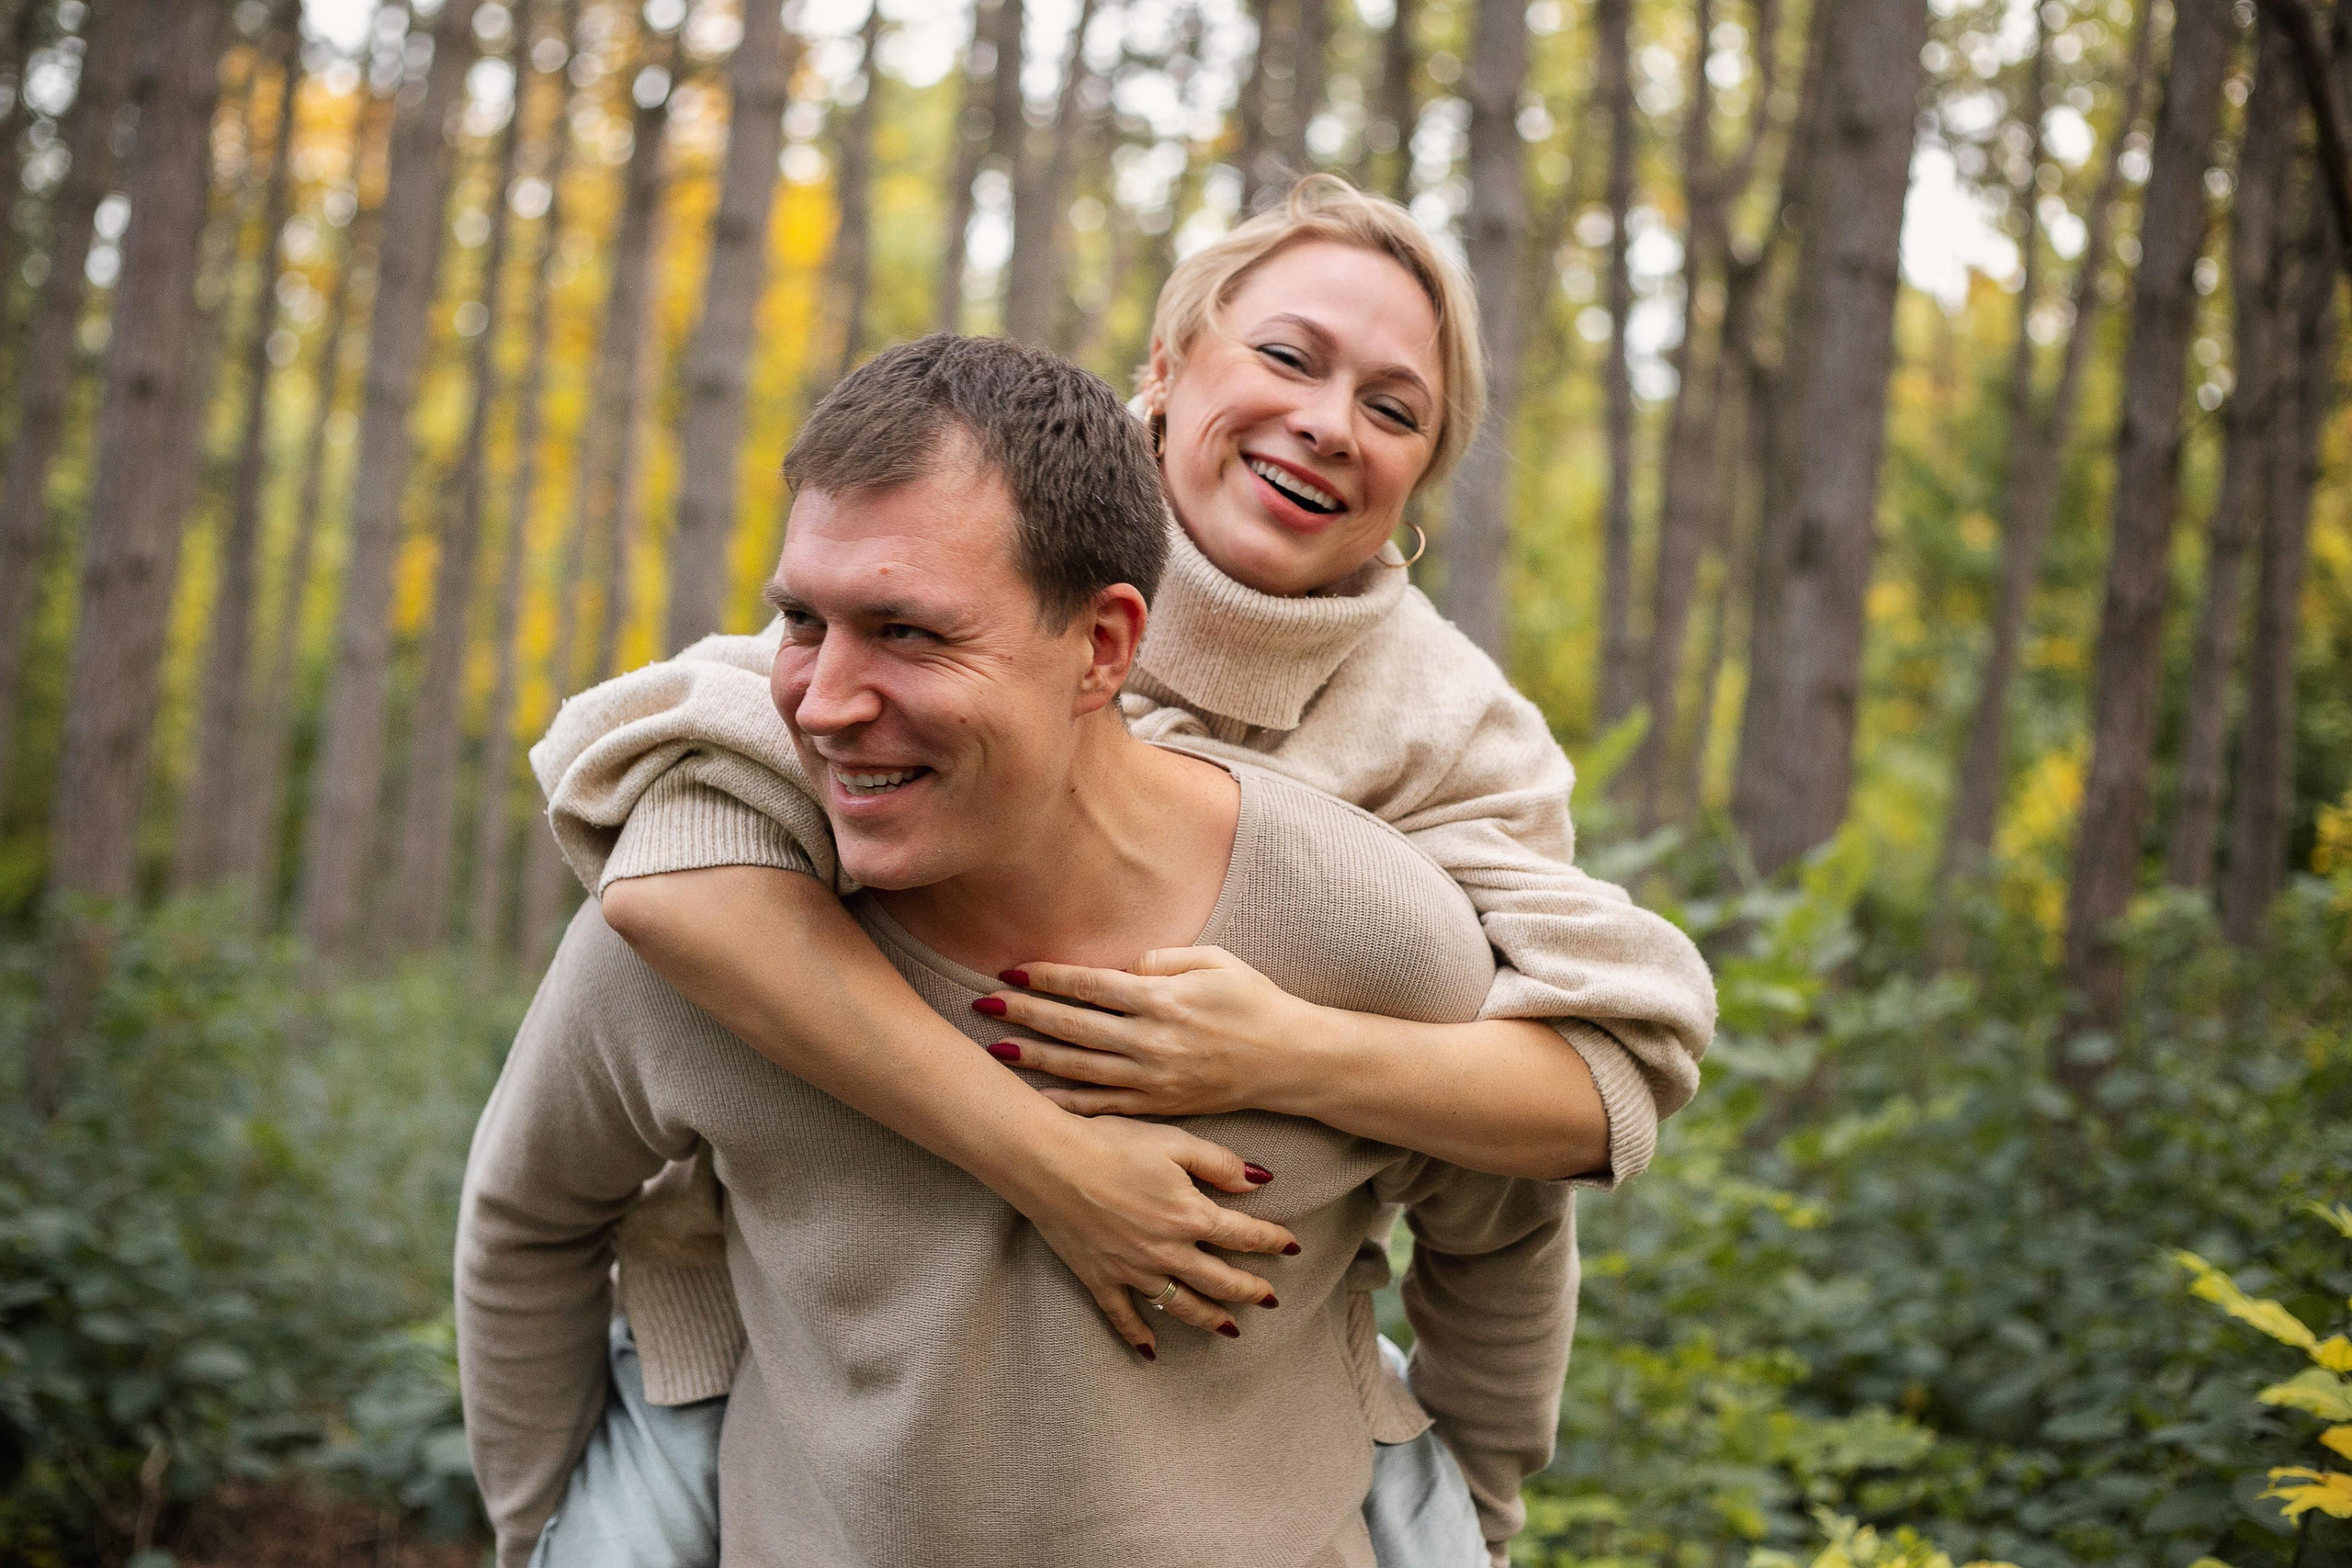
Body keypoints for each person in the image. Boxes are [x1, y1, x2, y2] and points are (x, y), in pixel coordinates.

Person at [537, 177, 1715, 1379]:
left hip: (1227, 1391)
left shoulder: (1454, 732)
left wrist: (1282, 1051)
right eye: (1287, 356)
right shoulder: (976, 535)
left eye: (1394, 410)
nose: (1330, 425)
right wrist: (1049, 1160)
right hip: (787, 1340)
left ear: (1418, 480)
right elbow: (674, 854)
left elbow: (1608, 1077)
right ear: (1166, 365)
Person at [458, 335, 1576, 1568]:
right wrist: (540, 1530)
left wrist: (1476, 1512)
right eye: (802, 621)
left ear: (1103, 647)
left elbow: (1503, 1235)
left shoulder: (1362, 933)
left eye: (908, 632)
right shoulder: (700, 926)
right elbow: (528, 1220)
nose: (824, 702)